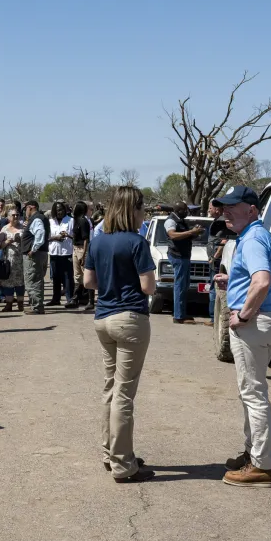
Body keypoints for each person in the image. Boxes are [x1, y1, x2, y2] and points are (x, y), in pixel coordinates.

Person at [213, 185, 271, 488]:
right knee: (251, 393)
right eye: (224, 207)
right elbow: (258, 277)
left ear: (252, 210)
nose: (225, 211)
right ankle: (252, 454)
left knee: (253, 395)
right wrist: (234, 279)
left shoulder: (253, 238)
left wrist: (243, 315)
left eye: (233, 206)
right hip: (267, 321)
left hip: (255, 324)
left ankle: (260, 465)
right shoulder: (258, 236)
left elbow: (262, 281)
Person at [85, 185, 156, 483]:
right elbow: (148, 287)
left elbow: (88, 281)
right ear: (133, 209)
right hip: (130, 319)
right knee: (124, 394)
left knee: (111, 389)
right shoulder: (137, 243)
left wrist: (111, 283)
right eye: (142, 209)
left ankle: (110, 452)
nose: (144, 215)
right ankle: (123, 463)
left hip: (104, 317)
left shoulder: (98, 242)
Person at [164, 201, 203, 324]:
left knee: (184, 285)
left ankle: (182, 313)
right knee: (180, 286)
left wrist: (195, 233)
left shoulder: (181, 221)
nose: (186, 212)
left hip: (184, 256)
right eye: (185, 210)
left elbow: (184, 236)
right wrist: (191, 232)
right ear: (179, 210)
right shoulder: (171, 221)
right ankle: (178, 316)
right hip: (178, 256)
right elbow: (173, 235)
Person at [21, 199, 50, 314]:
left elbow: (40, 233)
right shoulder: (41, 218)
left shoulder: (37, 218)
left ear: (31, 207)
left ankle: (37, 307)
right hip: (41, 253)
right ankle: (36, 305)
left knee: (32, 280)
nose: (25, 212)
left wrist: (33, 249)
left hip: (35, 255)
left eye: (26, 209)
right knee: (36, 279)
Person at [0, 208, 26, 311]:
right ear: (9, 217)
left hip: (21, 260)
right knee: (8, 282)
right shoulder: (4, 229)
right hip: (8, 260)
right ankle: (9, 304)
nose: (16, 217)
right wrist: (7, 242)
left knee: (20, 282)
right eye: (13, 215)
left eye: (17, 215)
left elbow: (28, 242)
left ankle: (20, 304)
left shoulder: (23, 228)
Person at [49, 202, 76, 308]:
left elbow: (76, 236)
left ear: (65, 210)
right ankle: (56, 299)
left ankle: (70, 299)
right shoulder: (50, 221)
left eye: (61, 210)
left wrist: (67, 235)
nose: (59, 212)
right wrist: (55, 238)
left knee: (68, 277)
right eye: (56, 210)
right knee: (55, 277)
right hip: (54, 252)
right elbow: (46, 237)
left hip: (67, 253)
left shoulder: (71, 221)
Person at [71, 201, 94, 311]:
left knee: (86, 274)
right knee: (77, 275)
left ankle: (90, 300)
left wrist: (84, 254)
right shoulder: (76, 220)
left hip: (82, 249)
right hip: (75, 247)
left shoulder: (83, 221)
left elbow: (86, 239)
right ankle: (75, 298)